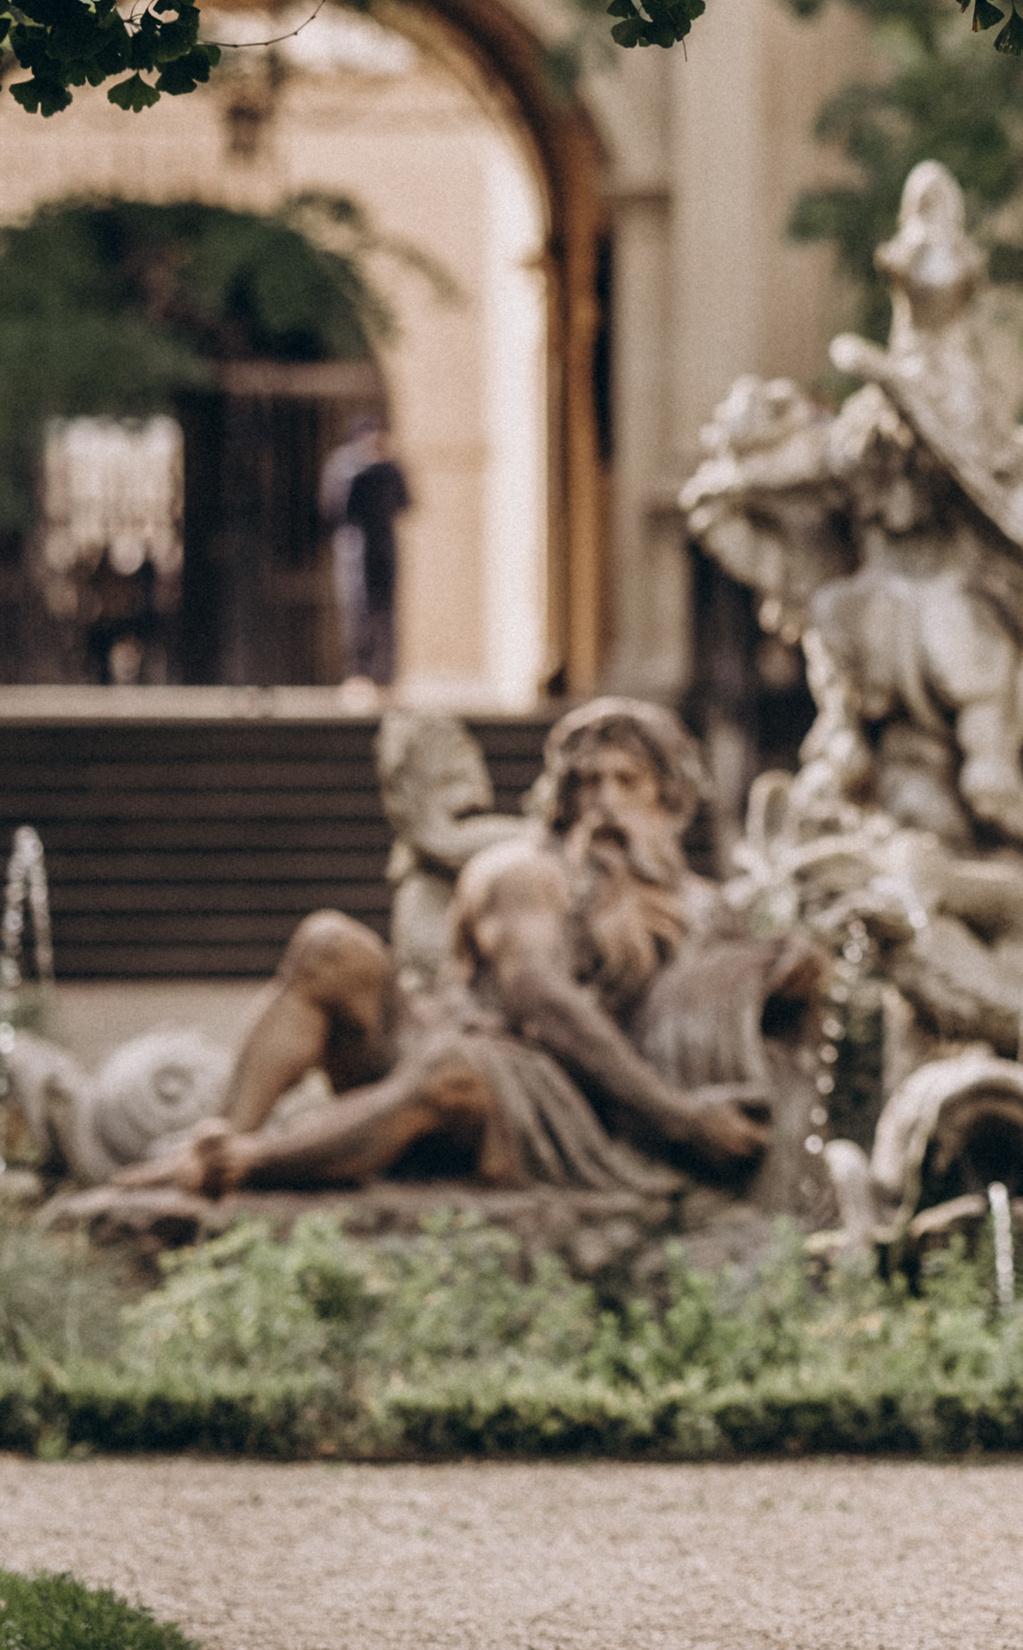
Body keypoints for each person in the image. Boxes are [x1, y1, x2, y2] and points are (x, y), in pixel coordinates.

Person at [120, 700, 811, 1199]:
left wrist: (789, 976)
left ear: (670, 800)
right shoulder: (524, 874)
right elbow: (537, 996)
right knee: (331, 945)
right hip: (455, 1048)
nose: (603, 804)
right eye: (586, 784)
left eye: (626, 782)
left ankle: (241, 1164)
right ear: (561, 803)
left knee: (459, 1072)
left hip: (567, 1101)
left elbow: (730, 1026)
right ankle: (221, 1143)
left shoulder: (707, 909)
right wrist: (678, 1116)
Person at [322, 416, 410, 693]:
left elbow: (406, 503)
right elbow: (331, 507)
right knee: (356, 611)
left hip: (383, 545)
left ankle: (387, 675)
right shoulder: (343, 463)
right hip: (354, 547)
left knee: (386, 612)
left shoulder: (391, 466)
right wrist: (360, 471)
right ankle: (358, 673)